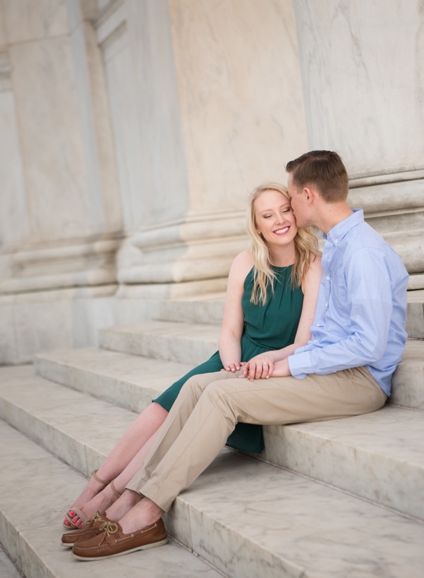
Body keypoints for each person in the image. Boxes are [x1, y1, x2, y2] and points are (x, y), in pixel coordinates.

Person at [70, 150, 409, 560]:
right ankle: (125, 498)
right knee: (197, 385)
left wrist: (290, 364)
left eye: (288, 198)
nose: (284, 210)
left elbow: (368, 346)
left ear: (305, 195)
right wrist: (288, 360)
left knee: (222, 395)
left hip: (360, 380)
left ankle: (147, 511)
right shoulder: (337, 244)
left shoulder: (361, 251)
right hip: (328, 367)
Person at [62, 182, 321, 535]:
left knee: (178, 424)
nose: (279, 220)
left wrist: (259, 365)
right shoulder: (246, 262)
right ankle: (97, 486)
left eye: (285, 210)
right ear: (256, 225)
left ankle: (117, 493)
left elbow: (304, 341)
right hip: (234, 358)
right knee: (161, 409)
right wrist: (229, 363)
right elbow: (230, 331)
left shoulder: (311, 264)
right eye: (267, 215)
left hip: (269, 367)